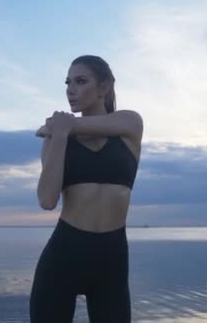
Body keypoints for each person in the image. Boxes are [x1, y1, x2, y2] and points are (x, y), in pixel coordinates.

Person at [29, 55, 143, 322]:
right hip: (64, 254)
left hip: (111, 259)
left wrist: (57, 126)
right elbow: (47, 200)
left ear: (104, 87)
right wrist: (58, 136)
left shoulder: (129, 124)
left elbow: (75, 124)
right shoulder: (56, 138)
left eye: (81, 81)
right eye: (68, 83)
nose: (71, 89)